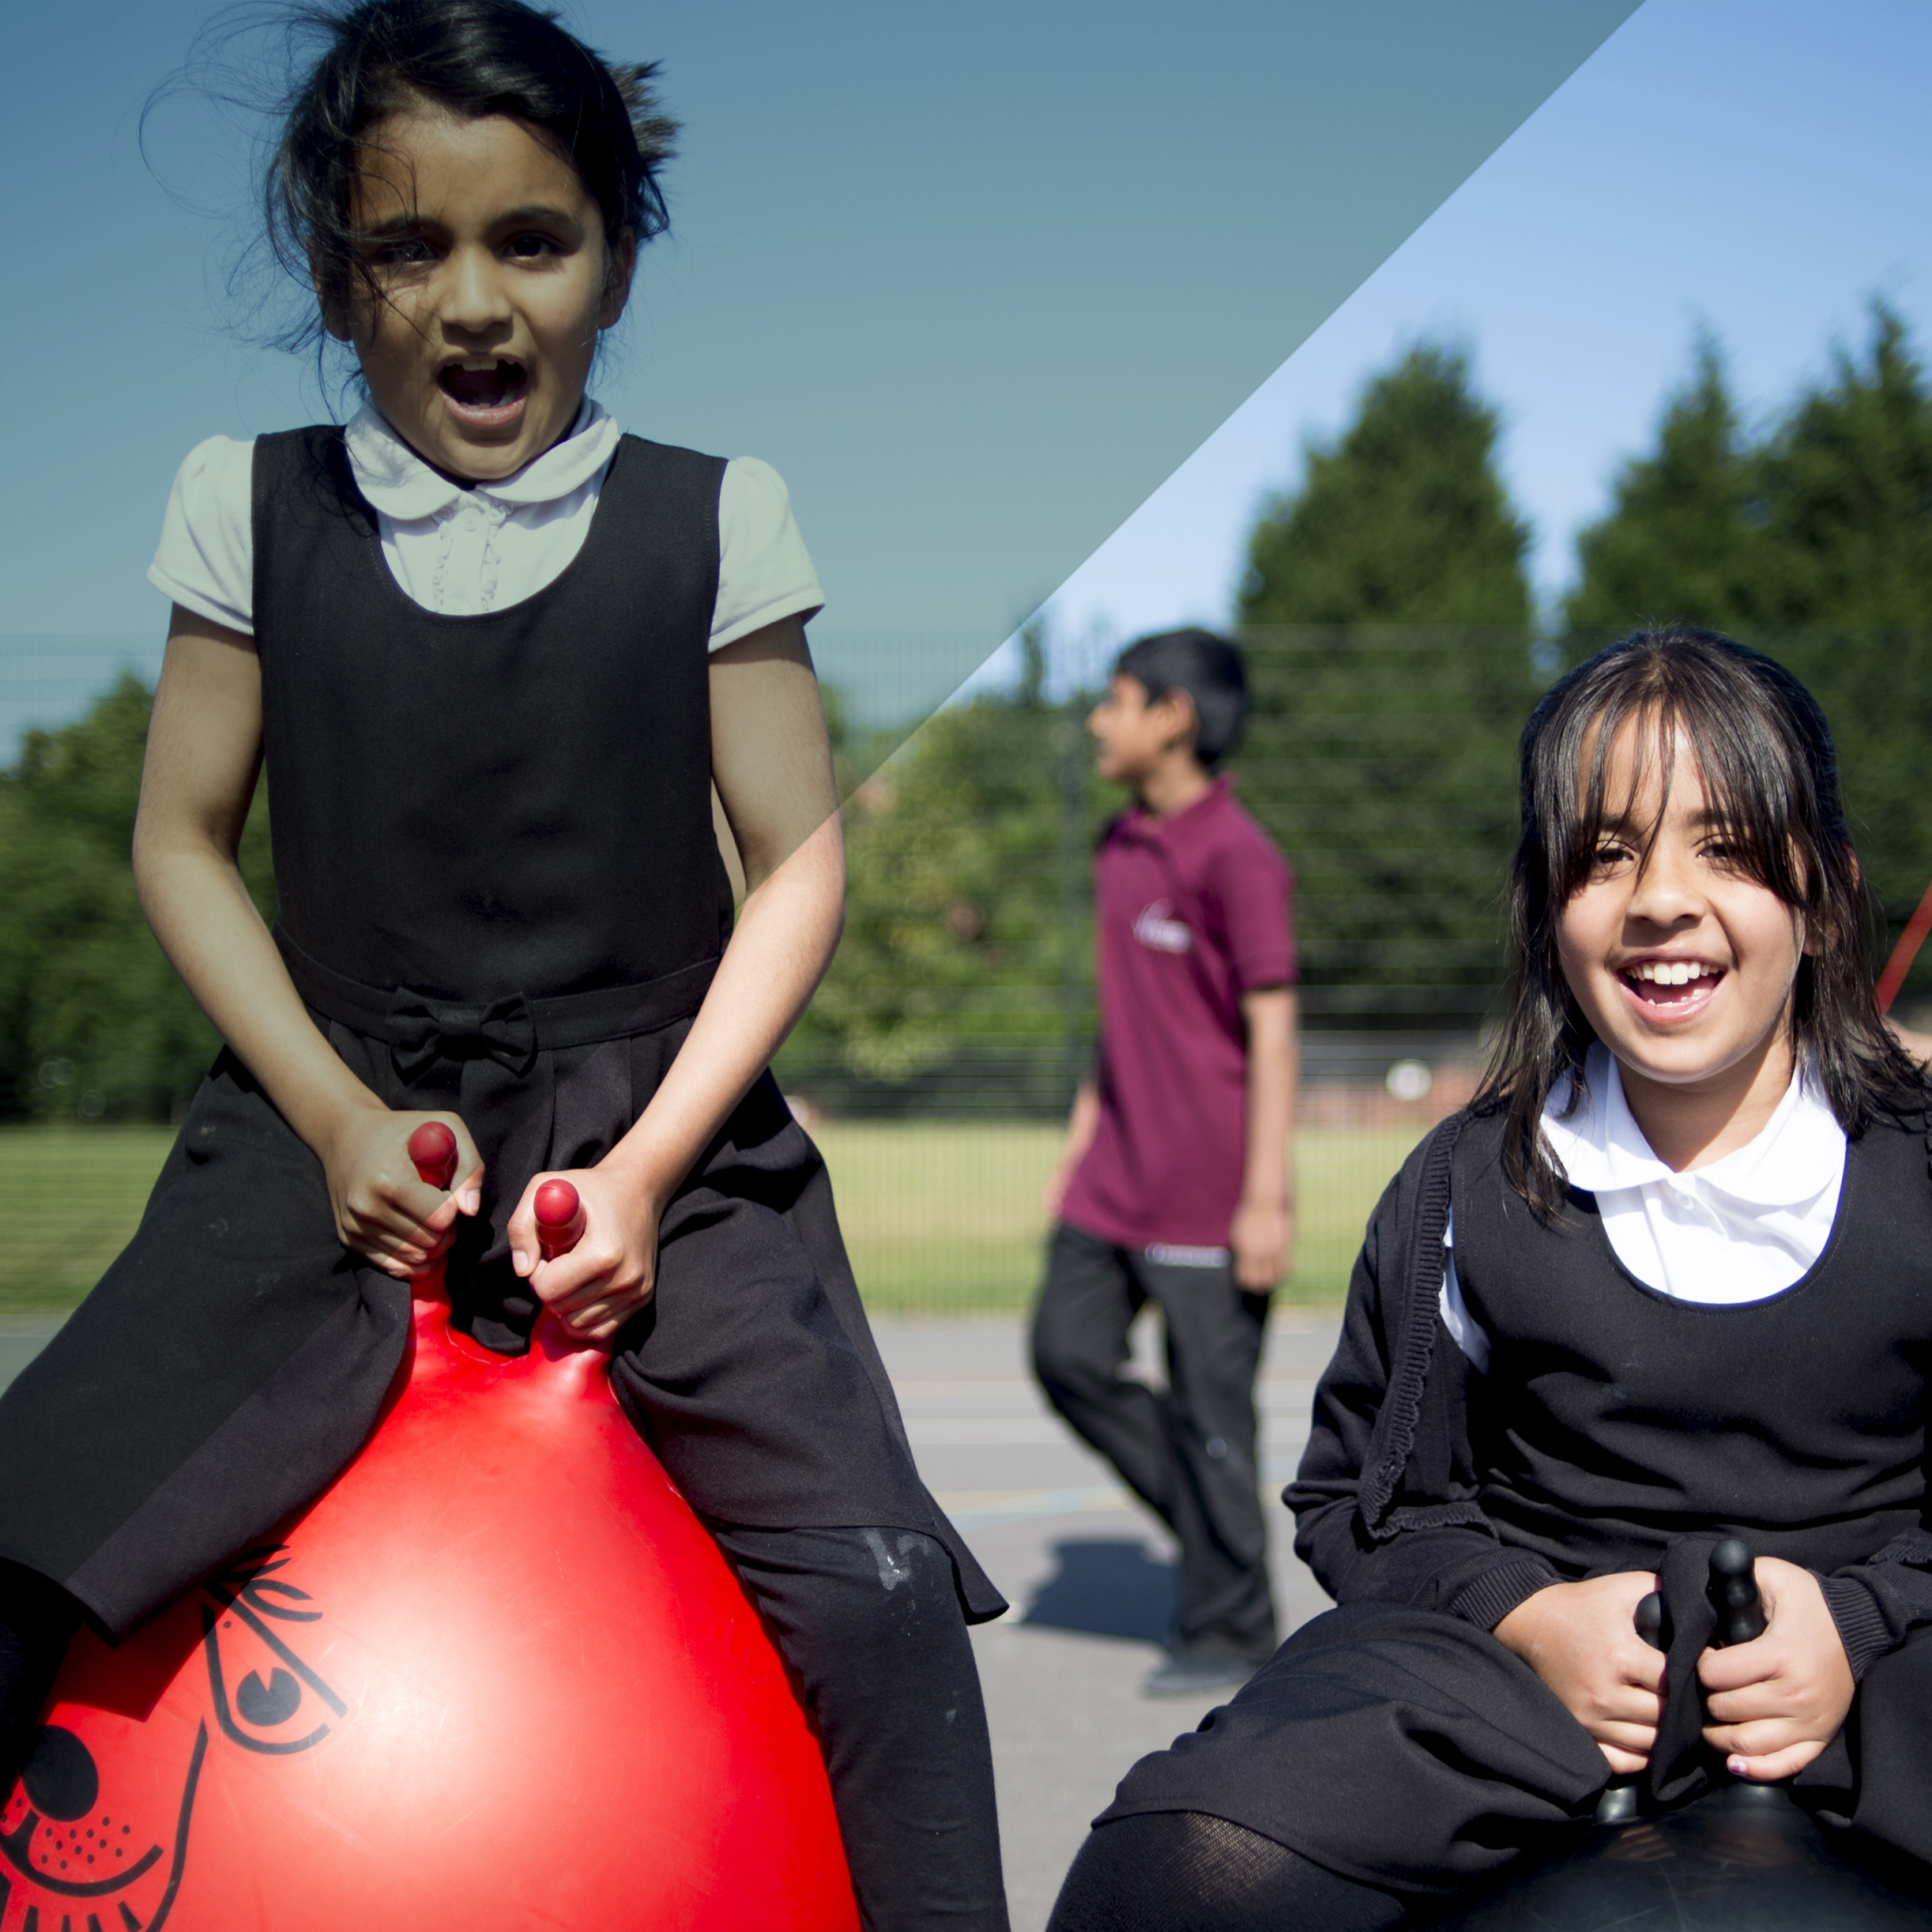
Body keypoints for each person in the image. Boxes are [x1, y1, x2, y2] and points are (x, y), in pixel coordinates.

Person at [0, 6, 1009, 1926]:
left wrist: (644, 1170)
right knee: (26, 1539)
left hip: (658, 1127)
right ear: (335, 279)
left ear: (613, 262)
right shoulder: (246, 500)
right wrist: (331, 1116)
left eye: (531, 241)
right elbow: (178, 841)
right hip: (320, 1110)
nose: (473, 301)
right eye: (409, 248)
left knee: (879, 1601)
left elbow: (797, 860)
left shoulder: (715, 515)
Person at [1045, 627, 1932, 1931]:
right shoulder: (1466, 1186)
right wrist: (1527, 1617)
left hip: (1887, 1657)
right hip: (1518, 1676)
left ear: (1825, 892)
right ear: (1542, 906)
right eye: (1605, 853)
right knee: (1173, 1862)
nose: (1660, 898)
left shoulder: (1916, 1167)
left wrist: (1854, 1619)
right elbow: (1362, 1500)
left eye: (1726, 846)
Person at [1031, 628, 1298, 1697]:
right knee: (1066, 1353)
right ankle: (1214, 1536)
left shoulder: (1239, 855)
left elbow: (1274, 1031)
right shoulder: (1118, 846)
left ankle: (1235, 1628)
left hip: (1208, 1196)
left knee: (1212, 1420)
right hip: (1111, 1184)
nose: (1099, 720)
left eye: (1116, 700)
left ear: (1172, 716)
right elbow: (1122, 1019)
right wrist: (1077, 1147)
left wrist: (1265, 1197)